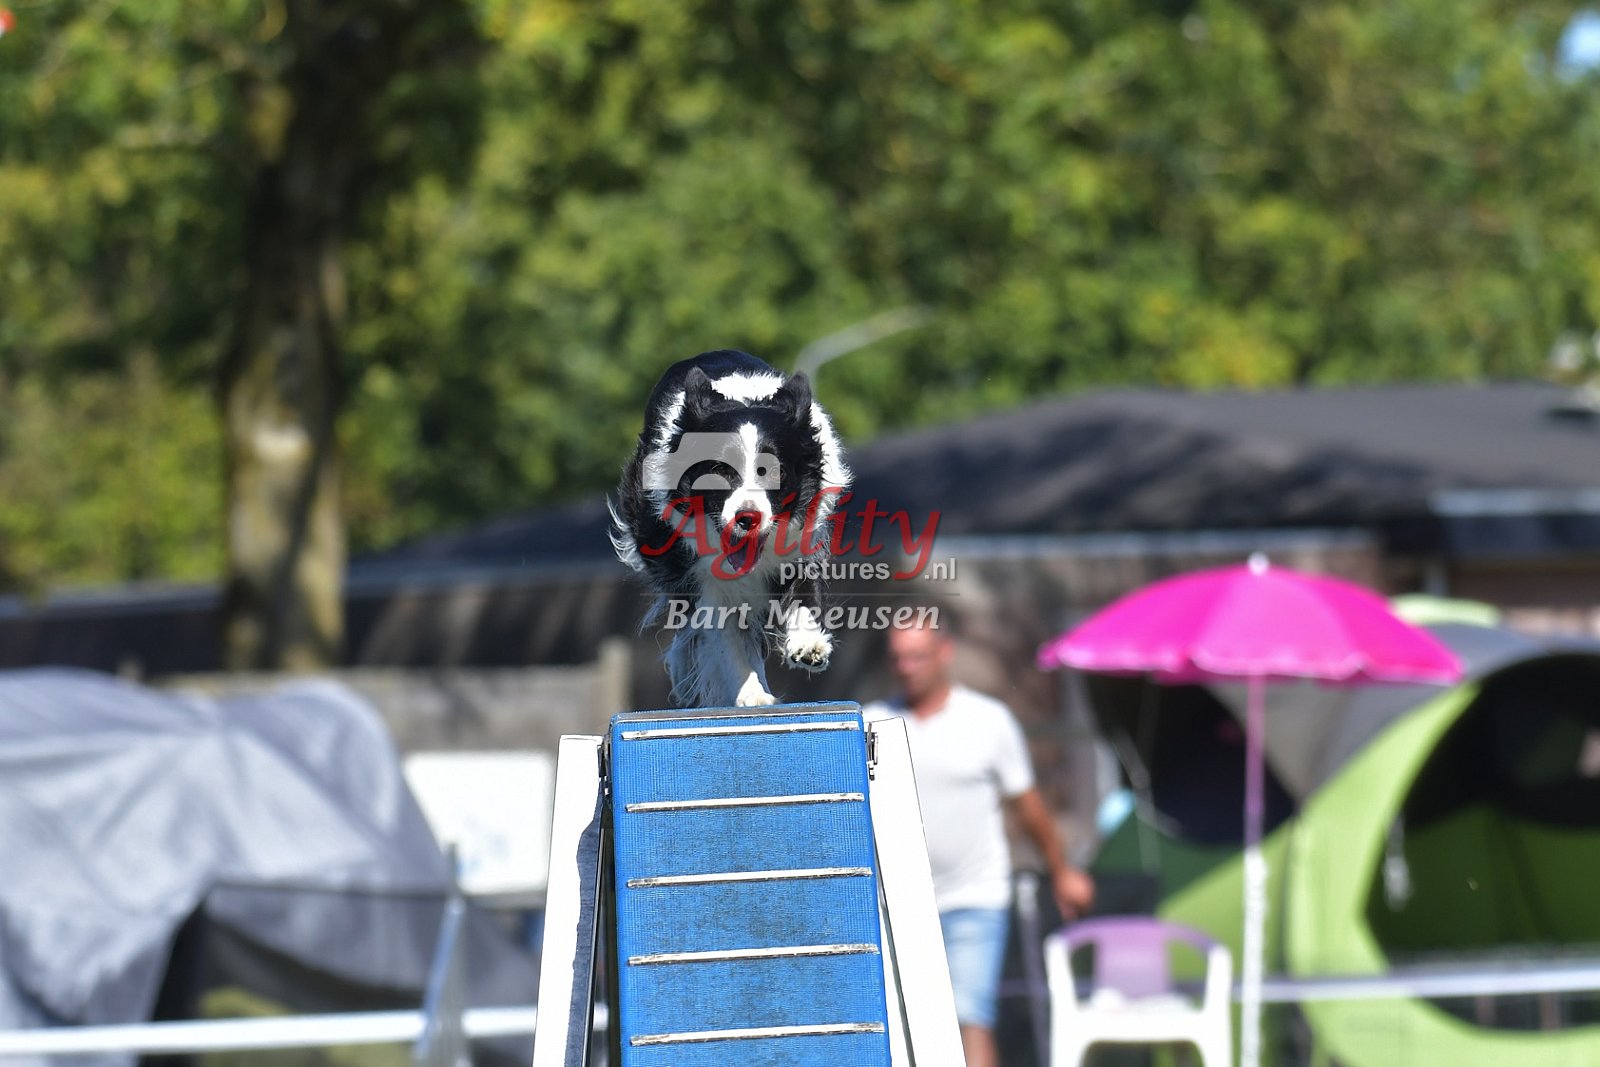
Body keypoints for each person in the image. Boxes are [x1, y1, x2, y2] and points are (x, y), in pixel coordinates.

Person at [865, 614, 1094, 1067]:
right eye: (898, 659)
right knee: (901, 1023)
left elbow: (1028, 805)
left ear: (944, 653)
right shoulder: (872, 723)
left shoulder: (987, 720)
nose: (907, 668)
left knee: (971, 1017)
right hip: (896, 902)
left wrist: (1062, 871)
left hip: (975, 896)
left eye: (918, 657)